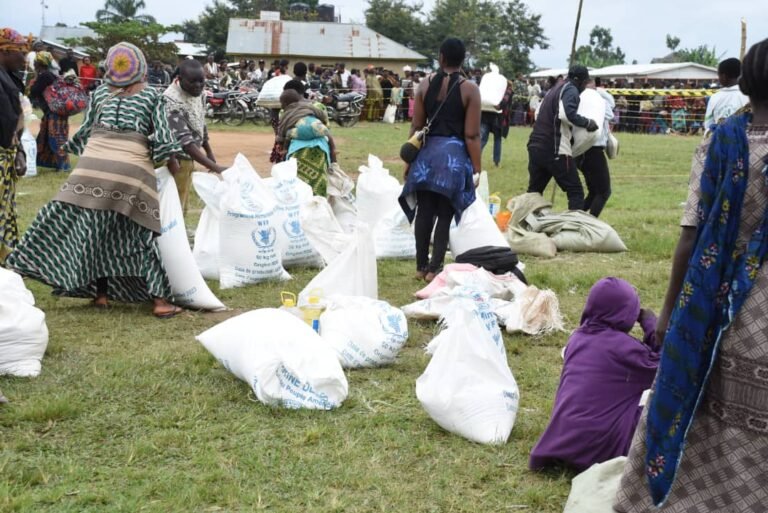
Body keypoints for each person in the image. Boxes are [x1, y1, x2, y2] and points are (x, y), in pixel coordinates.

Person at [613, 38, 768, 512]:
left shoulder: (721, 140)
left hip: (714, 303)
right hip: (758, 314)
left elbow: (690, 235)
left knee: (697, 402)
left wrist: (669, 311)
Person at [6, 42, 183, 319]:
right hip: (130, 170)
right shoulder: (152, 96)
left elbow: (87, 130)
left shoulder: (100, 93)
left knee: (93, 230)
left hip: (91, 168)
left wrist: (72, 148)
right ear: (142, 67)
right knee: (138, 234)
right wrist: (171, 160)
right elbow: (162, 139)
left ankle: (100, 295)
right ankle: (160, 302)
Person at [530, 277, 659, 472]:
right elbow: (666, 366)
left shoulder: (576, 339)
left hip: (561, 443)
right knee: (660, 401)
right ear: (626, 314)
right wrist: (651, 324)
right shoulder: (623, 348)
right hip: (600, 450)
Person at [399, 38, 481, 282]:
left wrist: (409, 161)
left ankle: (420, 266)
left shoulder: (424, 84)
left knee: (424, 211)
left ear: (441, 57)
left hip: (426, 155)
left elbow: (416, 125)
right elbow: (472, 134)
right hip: (452, 157)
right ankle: (434, 269)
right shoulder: (470, 89)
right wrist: (477, 167)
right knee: (444, 213)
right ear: (463, 60)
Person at [526, 65, 598, 211]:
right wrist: (587, 123)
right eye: (584, 83)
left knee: (533, 192)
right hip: (554, 148)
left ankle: (524, 225)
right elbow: (567, 114)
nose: (584, 87)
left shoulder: (555, 88)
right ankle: (573, 229)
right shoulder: (571, 89)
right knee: (576, 192)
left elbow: (539, 113)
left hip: (535, 144)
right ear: (578, 80)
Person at [165, 60, 227, 213]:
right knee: (174, 208)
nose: (198, 85)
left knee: (182, 203)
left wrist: (209, 151)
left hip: (189, 158)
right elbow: (186, 143)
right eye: (192, 81)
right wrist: (216, 168)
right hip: (175, 160)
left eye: (201, 81)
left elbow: (200, 122)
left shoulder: (198, 94)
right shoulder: (171, 101)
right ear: (179, 79)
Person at [275, 84, 336, 196]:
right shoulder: (315, 106)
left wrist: (281, 143)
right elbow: (324, 122)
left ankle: (301, 202)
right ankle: (320, 202)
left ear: (287, 102)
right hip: (320, 148)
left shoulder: (285, 113)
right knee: (319, 178)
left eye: (282, 103)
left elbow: (282, 130)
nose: (281, 106)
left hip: (297, 150)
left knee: (298, 183)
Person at [0, 27, 28, 264]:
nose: (23, 58)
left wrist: (17, 151)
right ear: (5, 51)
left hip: (6, 153)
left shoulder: (9, 78)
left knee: (5, 207)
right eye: (20, 52)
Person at [575, 78, 615, 217]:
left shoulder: (578, 99)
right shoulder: (597, 101)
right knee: (604, 191)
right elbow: (610, 113)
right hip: (593, 150)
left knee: (593, 191)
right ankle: (590, 223)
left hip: (580, 150)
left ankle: (576, 218)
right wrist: (601, 94)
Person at [29, 51, 71, 172]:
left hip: (54, 114)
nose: (34, 63)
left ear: (38, 63)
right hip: (54, 112)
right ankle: (54, 164)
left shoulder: (44, 76)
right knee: (47, 137)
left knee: (55, 139)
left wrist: (32, 84)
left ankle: (63, 166)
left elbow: (34, 91)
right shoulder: (51, 75)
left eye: (35, 61)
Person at [703, 57, 749, 132]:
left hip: (721, 141)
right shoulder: (750, 96)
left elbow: (708, 125)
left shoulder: (715, 97)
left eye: (719, 75)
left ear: (724, 77)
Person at [480, 79, 514, 167]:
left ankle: (475, 158)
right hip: (497, 118)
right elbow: (503, 102)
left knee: (483, 139)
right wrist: (497, 105)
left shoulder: (489, 88)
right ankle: (496, 162)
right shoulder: (507, 89)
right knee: (497, 139)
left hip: (486, 115)